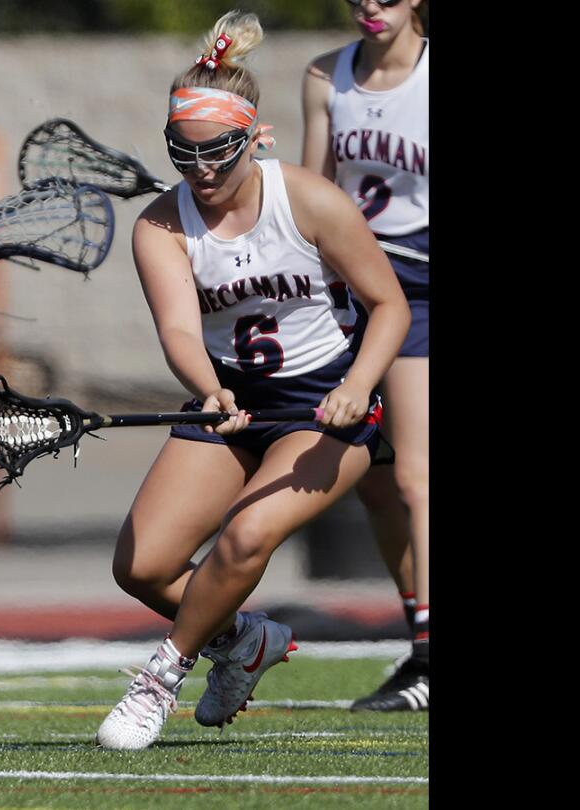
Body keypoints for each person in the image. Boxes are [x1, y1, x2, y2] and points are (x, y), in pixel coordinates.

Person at [91, 10, 409, 751]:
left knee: (246, 538)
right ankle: (243, 640)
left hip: (325, 404)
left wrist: (362, 383)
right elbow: (177, 327)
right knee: (142, 565)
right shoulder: (160, 225)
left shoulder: (309, 200)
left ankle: (158, 679)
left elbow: (389, 305)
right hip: (231, 398)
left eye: (219, 152)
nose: (201, 170)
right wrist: (210, 389)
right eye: (183, 153)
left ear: (252, 136)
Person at [301, 0, 429, 714]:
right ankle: (421, 646)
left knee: (415, 476)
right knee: (377, 484)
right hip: (353, 289)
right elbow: (314, 191)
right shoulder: (325, 77)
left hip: (419, 291)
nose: (370, 9)